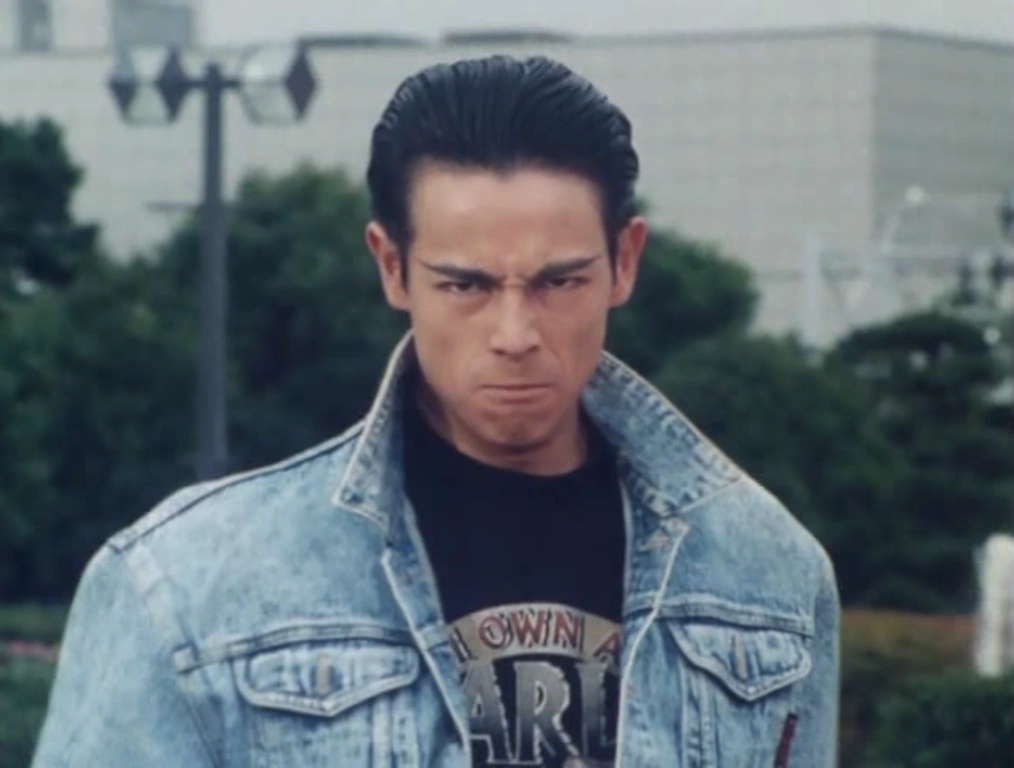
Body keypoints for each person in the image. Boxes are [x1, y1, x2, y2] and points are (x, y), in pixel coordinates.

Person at [32, 54, 839, 767]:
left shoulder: (765, 573)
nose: (515, 334)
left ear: (624, 262)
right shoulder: (186, 585)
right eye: (465, 285)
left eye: (560, 282)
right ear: (392, 267)